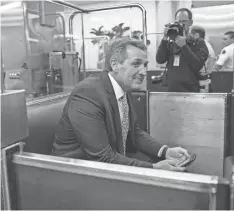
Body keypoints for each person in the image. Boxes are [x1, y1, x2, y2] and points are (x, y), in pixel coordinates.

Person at [51, 38, 190, 172]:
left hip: (109, 163)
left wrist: (165, 151)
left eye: (145, 65)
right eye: (136, 64)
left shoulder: (123, 88)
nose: (143, 72)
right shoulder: (88, 93)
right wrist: (154, 169)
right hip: (75, 171)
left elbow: (133, 132)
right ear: (115, 64)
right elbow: (101, 156)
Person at [156, 8, 209, 92]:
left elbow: (197, 65)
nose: (181, 24)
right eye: (178, 22)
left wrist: (184, 46)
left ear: (190, 23)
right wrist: (165, 39)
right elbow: (160, 59)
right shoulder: (171, 43)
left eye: (184, 21)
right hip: (172, 89)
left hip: (191, 91)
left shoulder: (198, 42)